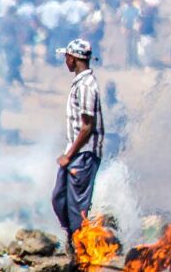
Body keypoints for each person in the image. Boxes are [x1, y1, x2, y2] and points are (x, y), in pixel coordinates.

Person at [51, 38, 105, 259]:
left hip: (83, 155)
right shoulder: (80, 84)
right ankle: (73, 240)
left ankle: (82, 255)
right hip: (76, 154)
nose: (66, 60)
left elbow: (87, 127)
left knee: (77, 209)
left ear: (72, 59)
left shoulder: (86, 87)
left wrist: (68, 155)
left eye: (67, 57)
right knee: (59, 198)